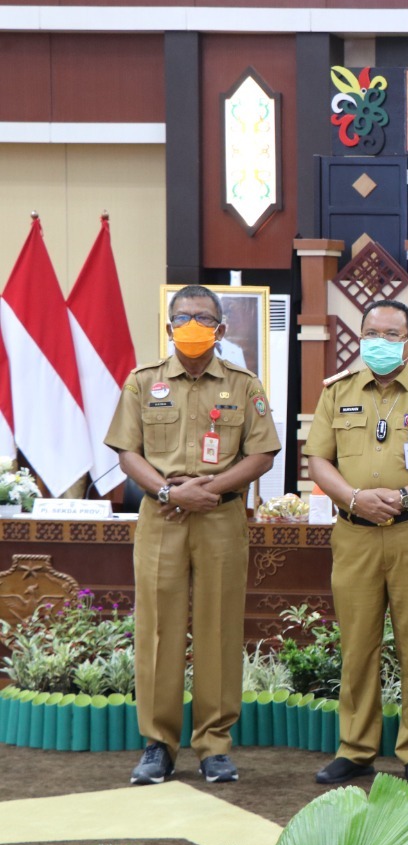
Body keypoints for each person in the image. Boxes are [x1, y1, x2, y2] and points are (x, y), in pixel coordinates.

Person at [105, 285, 280, 785]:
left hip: (221, 518)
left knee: (218, 627)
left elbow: (263, 454)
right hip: (163, 516)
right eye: (183, 318)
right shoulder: (143, 383)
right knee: (158, 629)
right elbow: (127, 451)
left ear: (222, 330)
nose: (193, 327)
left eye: (204, 319)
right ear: (168, 328)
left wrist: (212, 489)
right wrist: (168, 492)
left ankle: (213, 745)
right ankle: (158, 744)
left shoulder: (245, 386)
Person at [303, 299, 408, 787]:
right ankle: (356, 748)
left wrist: (400, 497)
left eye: (391, 334)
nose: (379, 342)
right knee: (357, 645)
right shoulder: (337, 392)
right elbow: (319, 462)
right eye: (371, 333)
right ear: (358, 337)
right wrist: (355, 498)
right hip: (353, 534)